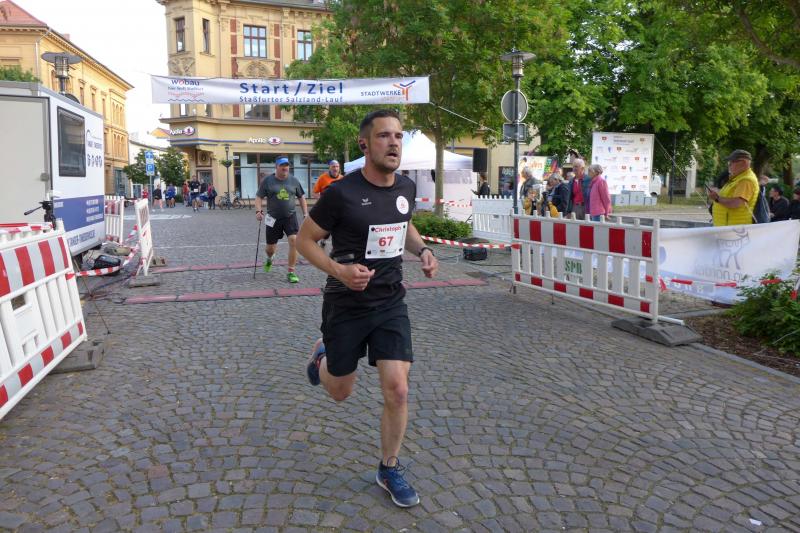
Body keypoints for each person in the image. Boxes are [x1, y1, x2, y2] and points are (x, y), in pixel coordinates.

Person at [296, 109, 439, 508]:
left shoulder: (406, 187)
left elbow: (404, 224)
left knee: (398, 388)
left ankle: (388, 467)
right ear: (364, 144)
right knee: (341, 391)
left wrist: (423, 250)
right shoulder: (340, 193)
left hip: (390, 301)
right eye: (384, 136)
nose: (394, 142)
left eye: (398, 136)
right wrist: (339, 271)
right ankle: (322, 357)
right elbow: (304, 241)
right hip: (346, 304)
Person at [255, 156, 308, 283]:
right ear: (276, 167)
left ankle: (291, 272)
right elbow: (258, 197)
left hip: (290, 217)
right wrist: (258, 211)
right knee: (270, 249)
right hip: (272, 219)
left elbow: (301, 197)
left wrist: (305, 214)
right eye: (282, 165)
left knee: (294, 241)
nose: (285, 167)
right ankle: (270, 258)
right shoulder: (268, 181)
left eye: (287, 165)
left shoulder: (294, 180)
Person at [708, 150, 759, 226]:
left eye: (731, 162)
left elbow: (736, 203)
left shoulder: (746, 180)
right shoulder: (737, 178)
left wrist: (717, 198)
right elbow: (730, 196)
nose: (729, 165)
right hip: (729, 226)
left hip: (735, 228)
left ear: (743, 162)